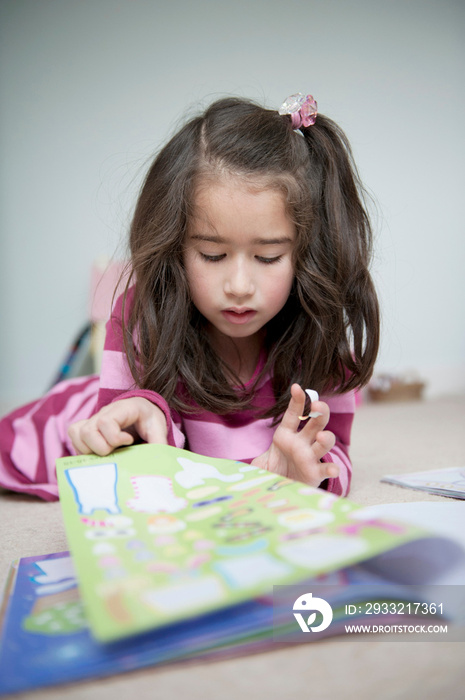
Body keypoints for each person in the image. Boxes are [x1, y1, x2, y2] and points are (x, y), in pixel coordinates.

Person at [0, 93, 379, 501]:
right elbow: (124, 474)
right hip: (68, 420)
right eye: (212, 255)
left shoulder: (323, 340)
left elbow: (335, 453)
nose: (238, 285)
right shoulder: (141, 317)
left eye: (268, 257)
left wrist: (308, 476)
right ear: (176, 246)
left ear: (308, 252)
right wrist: (140, 419)